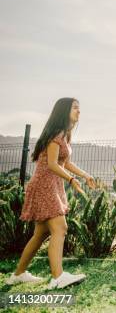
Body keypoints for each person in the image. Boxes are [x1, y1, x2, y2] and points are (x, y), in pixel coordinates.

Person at [5, 98, 96, 290]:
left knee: (41, 233)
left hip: (51, 184)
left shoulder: (65, 134)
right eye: (75, 108)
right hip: (44, 185)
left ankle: (18, 274)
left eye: (80, 107)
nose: (79, 111)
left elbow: (65, 162)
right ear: (64, 111)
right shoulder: (57, 134)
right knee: (60, 228)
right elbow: (53, 164)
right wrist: (71, 180)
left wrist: (85, 175)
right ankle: (58, 277)